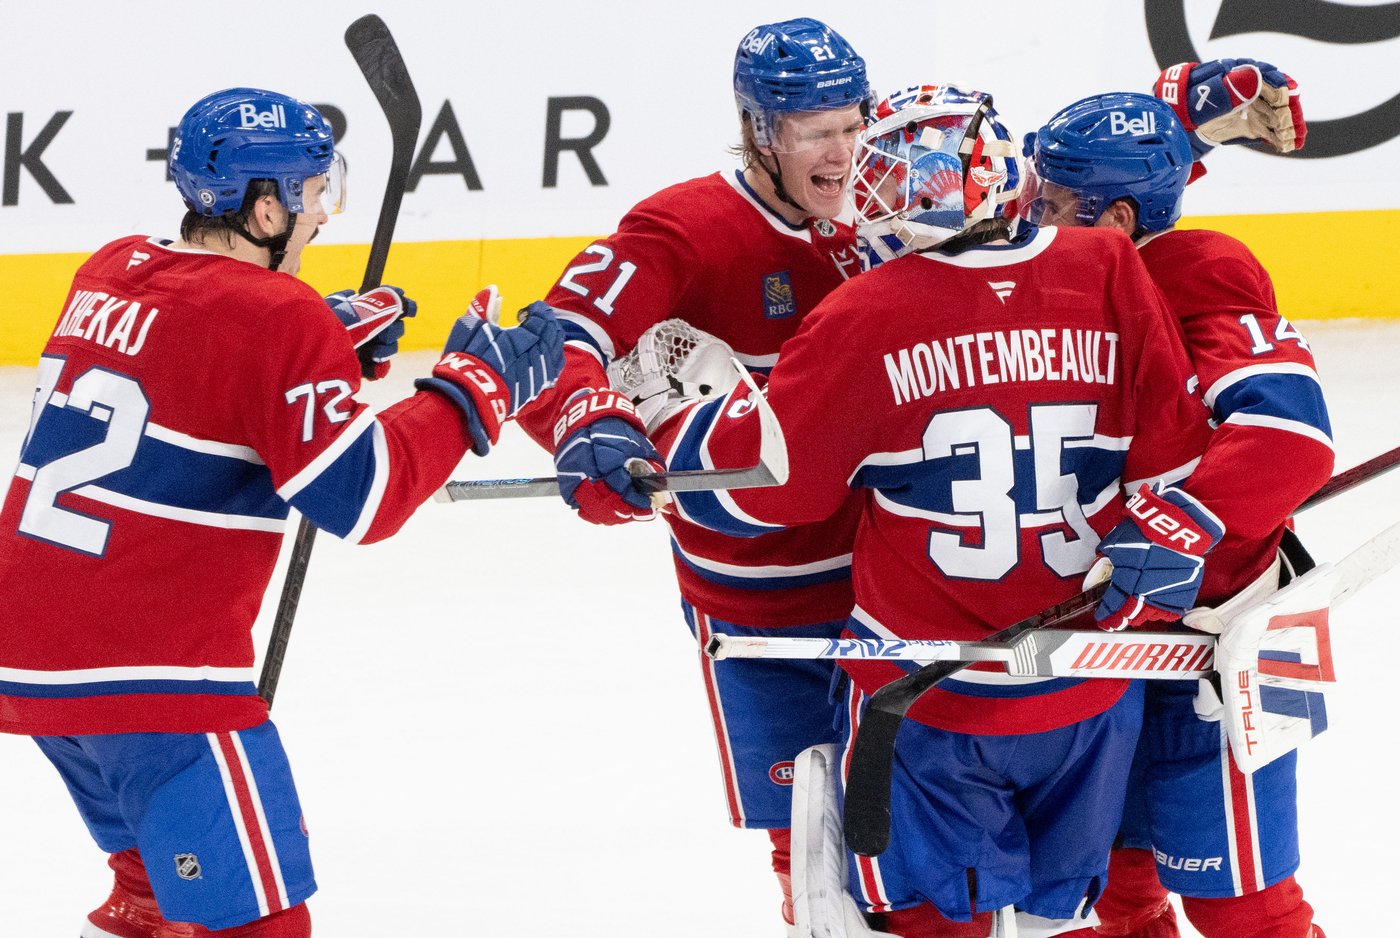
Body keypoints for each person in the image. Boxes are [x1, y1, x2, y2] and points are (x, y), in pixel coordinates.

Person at [633, 87, 1250, 936]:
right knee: (1062, 919)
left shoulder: (863, 313)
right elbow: (1172, 467)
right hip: (1092, 693)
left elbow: (775, 496)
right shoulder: (1109, 268)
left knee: (932, 918)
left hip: (930, 701)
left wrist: (679, 418)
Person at [0, 87, 563, 938]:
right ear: (265, 207)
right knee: (261, 922)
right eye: (309, 193)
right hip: (155, 677)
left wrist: (322, 349)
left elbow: (189, 361)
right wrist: (470, 390)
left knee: (156, 889)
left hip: (31, 659)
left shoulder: (110, 267)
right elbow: (364, 496)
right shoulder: (272, 317)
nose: (320, 215)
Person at [512, 18, 873, 928]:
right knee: (804, 837)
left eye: (853, 122)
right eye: (813, 130)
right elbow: (546, 345)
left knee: (922, 821)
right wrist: (582, 420)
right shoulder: (686, 229)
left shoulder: (894, 202)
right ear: (760, 130)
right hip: (760, 591)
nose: (843, 153)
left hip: (899, 576)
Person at [1022, 77, 1331, 938]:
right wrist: (1179, 108)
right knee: (1110, 891)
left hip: (1229, 633)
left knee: (1249, 908)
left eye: (1050, 201)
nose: (1026, 212)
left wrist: (1181, 520)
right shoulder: (1069, 260)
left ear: (1115, 222)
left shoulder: (1200, 275)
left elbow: (1290, 436)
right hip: (1106, 635)